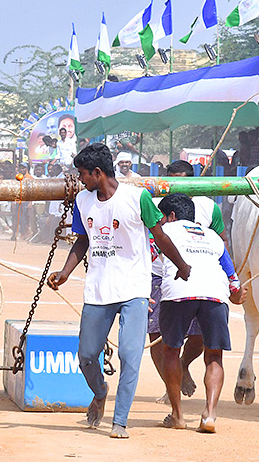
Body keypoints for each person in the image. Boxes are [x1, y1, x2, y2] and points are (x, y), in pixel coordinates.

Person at [46, 142, 191, 439]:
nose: (80, 180)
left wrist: (181, 264)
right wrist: (64, 272)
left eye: (83, 174)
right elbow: (83, 240)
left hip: (134, 289)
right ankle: (100, 392)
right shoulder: (83, 201)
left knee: (129, 355)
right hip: (98, 291)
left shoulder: (138, 198)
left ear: (98, 172)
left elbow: (159, 235)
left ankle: (120, 421)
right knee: (86, 355)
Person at [151, 194, 245, 433]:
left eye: (161, 217)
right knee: (214, 356)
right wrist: (235, 292)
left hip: (178, 292)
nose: (158, 222)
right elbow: (231, 275)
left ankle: (178, 415)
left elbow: (146, 258)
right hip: (215, 294)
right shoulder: (212, 236)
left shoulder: (164, 232)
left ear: (170, 216)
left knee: (171, 350)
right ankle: (209, 414)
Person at [148, 160, 225, 404]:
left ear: (192, 180)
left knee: (200, 337)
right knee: (157, 336)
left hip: (199, 276)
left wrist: (230, 279)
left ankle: (182, 366)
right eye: (172, 180)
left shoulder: (209, 206)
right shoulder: (152, 203)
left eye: (181, 180)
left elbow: (221, 241)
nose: (176, 186)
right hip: (159, 274)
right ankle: (171, 390)